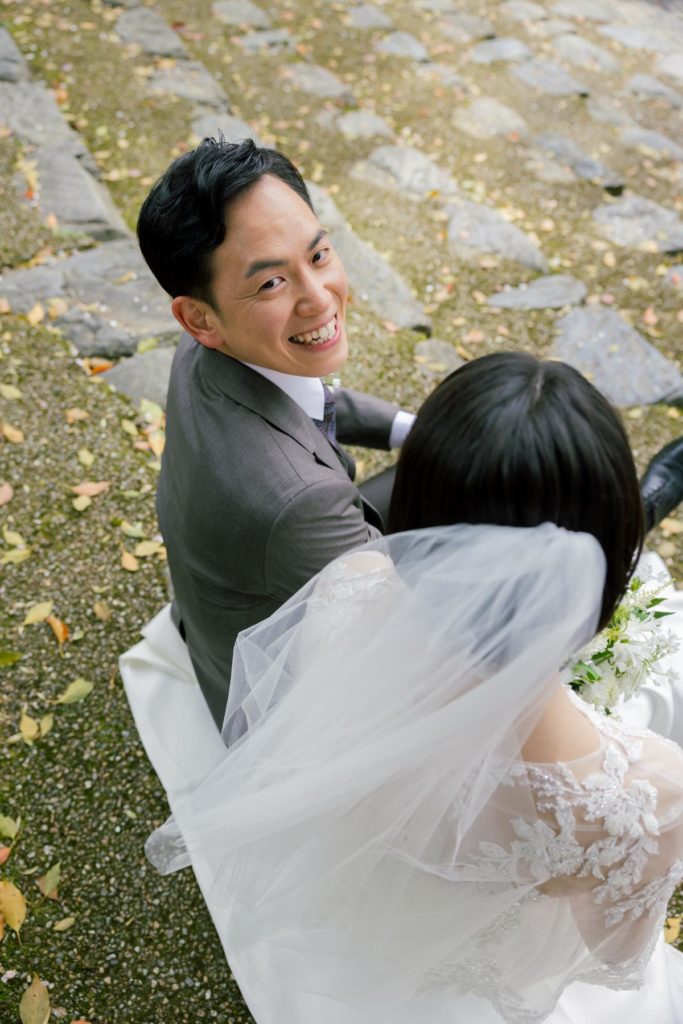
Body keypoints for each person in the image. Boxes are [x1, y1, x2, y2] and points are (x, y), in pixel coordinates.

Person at [141, 352, 683, 1023]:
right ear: (613, 544)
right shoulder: (648, 795)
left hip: (363, 900)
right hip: (491, 976)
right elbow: (614, 959)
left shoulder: (348, 585)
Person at [135, 137, 415, 729]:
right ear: (198, 317)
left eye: (318, 256)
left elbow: (315, 401)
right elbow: (409, 655)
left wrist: (413, 430)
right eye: (270, 284)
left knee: (470, 451)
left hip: (216, 613)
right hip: (275, 705)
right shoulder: (300, 502)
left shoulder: (207, 345)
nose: (318, 299)